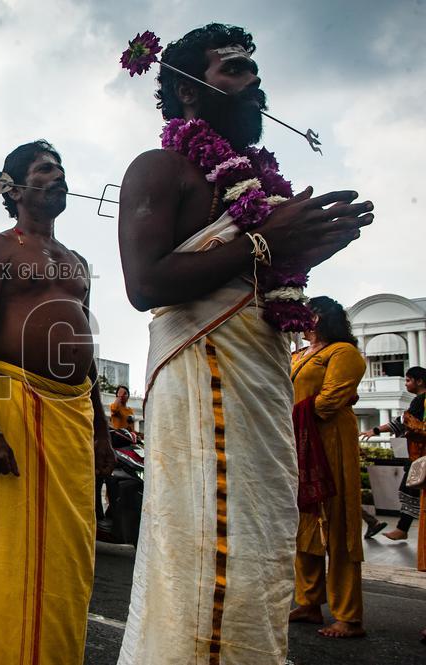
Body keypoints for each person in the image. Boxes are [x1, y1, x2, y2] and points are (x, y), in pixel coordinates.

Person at [115, 24, 373, 664]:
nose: (253, 82)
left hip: (261, 386)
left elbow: (255, 272)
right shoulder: (159, 170)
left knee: (259, 550)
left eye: (253, 70)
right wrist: (265, 243)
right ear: (188, 92)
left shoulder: (259, 188)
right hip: (202, 382)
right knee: (210, 545)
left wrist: (302, 245)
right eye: (233, 70)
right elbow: (144, 284)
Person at [0, 140, 114, 664]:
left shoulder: (77, 260)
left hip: (73, 413)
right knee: (10, 554)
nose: (59, 176)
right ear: (12, 188)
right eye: (46, 169)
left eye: (62, 169)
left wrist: (103, 430)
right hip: (14, 412)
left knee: (68, 554)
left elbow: (86, 351)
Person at [288, 297, 367, 638]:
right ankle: (308, 602)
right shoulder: (296, 355)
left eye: (305, 313)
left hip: (331, 443)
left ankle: (348, 616)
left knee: (338, 523)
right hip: (299, 445)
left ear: (318, 316)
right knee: (303, 522)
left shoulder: (343, 353)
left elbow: (332, 398)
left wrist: (290, 415)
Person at [361, 365, 426, 572]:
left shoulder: (419, 401)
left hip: (420, 457)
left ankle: (402, 529)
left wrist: (377, 429)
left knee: (411, 489)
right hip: (418, 456)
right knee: (412, 492)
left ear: (419, 382)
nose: (405, 384)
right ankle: (402, 528)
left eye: (408, 380)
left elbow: (403, 423)